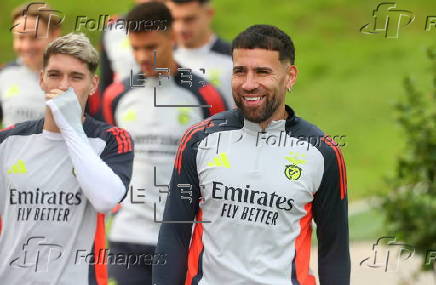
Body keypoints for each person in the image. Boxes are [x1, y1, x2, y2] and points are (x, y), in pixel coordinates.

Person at [153, 25, 351, 285]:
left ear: (290, 76)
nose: (248, 84)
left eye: (262, 72)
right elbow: (174, 234)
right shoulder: (199, 140)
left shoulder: (322, 152)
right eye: (239, 71)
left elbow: (334, 251)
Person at [102, 2, 228, 284]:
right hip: (128, 236)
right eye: (136, 48)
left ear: (172, 37)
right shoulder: (116, 96)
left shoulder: (206, 96)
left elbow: (221, 168)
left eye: (151, 47)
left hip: (183, 239)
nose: (143, 57)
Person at [0, 33, 134, 285]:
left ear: (93, 84)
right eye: (54, 75)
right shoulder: (8, 141)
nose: (63, 86)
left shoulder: (111, 139)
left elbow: (106, 199)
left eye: (75, 77)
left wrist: (71, 126)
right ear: (41, 79)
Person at [0, 2, 61, 128]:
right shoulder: (5, 74)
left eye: (34, 37)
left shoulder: (77, 78)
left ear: (55, 34)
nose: (26, 46)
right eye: (20, 38)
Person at [166, 0, 234, 106]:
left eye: (189, 19)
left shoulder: (234, 58)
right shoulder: (161, 59)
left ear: (209, 14)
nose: (180, 28)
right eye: (174, 19)